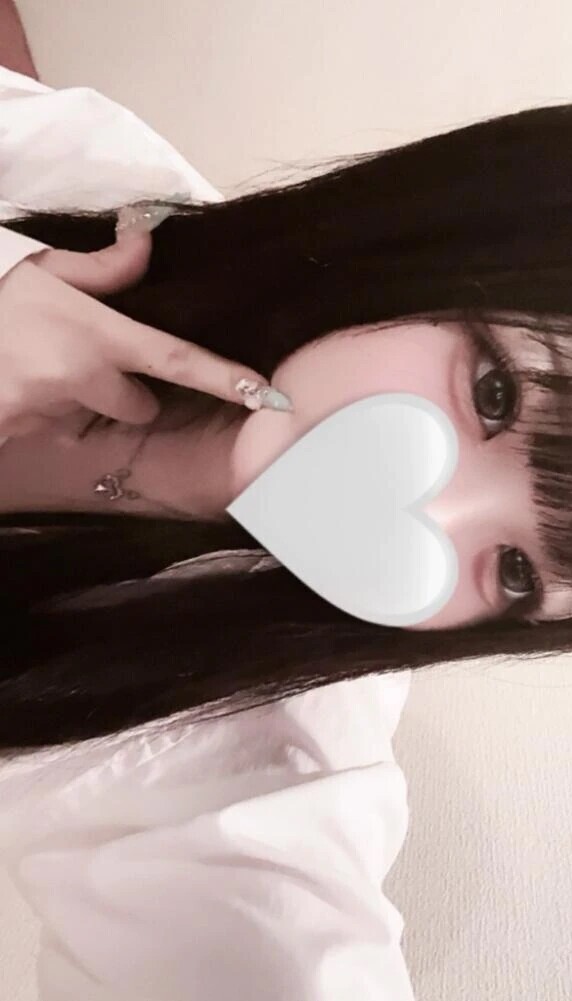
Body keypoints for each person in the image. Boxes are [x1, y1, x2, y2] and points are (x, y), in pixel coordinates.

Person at [0, 68, 415, 1001]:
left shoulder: (262, 725)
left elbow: (276, 940)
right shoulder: (120, 195)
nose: (432, 518)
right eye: (495, 395)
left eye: (514, 571)